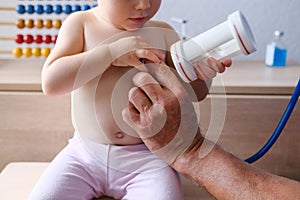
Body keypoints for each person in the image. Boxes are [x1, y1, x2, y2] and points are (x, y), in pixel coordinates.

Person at [29, 0, 231, 199]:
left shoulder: (162, 33)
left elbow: (196, 93)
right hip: (84, 156)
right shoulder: (81, 24)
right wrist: (110, 53)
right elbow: (51, 83)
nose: (144, 5)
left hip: (148, 159)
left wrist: (202, 74)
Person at [122, 62, 300, 200]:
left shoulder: (162, 32)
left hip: (145, 163)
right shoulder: (93, 29)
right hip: (94, 159)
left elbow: (196, 92)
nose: (141, 11)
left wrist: (191, 151)